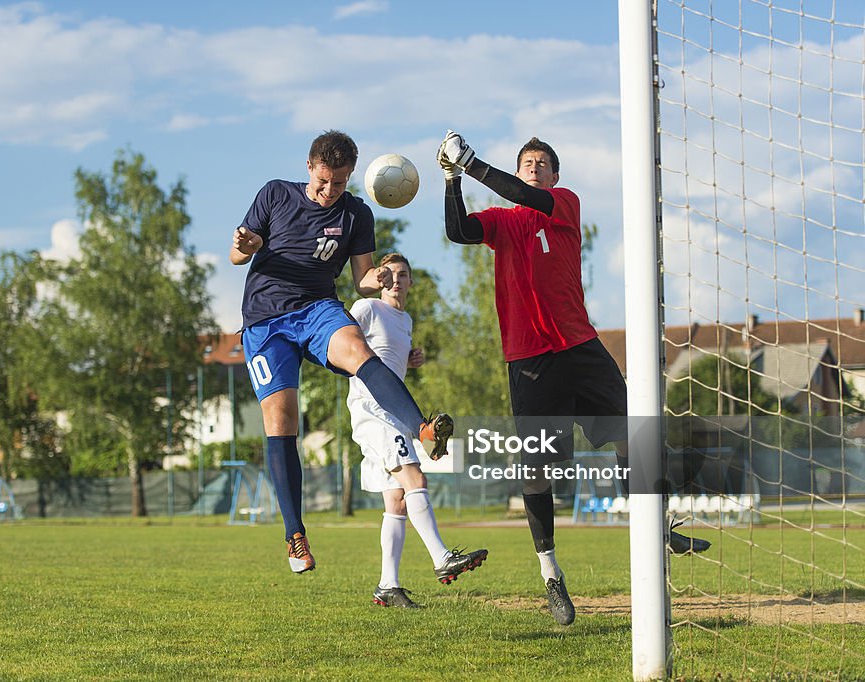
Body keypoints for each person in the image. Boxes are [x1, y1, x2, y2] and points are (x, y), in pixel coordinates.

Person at [437, 131, 710, 626]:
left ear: (555, 176)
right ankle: (551, 575)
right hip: (530, 358)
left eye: (542, 162)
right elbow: (457, 231)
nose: (534, 167)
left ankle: (659, 526)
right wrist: (452, 178)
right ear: (517, 169)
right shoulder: (501, 223)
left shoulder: (563, 203)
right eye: (527, 162)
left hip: (579, 345)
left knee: (635, 432)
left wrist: (473, 163)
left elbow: (523, 196)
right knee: (537, 469)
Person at [230, 130, 454, 575]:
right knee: (282, 421)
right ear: (310, 167)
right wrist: (247, 246)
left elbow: (361, 279)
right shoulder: (275, 194)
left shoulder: (356, 214)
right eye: (324, 181)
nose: (331, 191)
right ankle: (295, 535)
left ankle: (422, 429)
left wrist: (382, 279)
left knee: (357, 349)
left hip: (316, 308)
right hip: (265, 320)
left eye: (340, 183)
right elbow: (239, 255)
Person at [348, 252, 488, 608]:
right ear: (378, 278)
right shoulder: (366, 308)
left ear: (412, 282)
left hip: (393, 413)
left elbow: (386, 355)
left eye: (403, 274)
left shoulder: (405, 319)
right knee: (416, 480)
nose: (395, 280)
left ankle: (387, 586)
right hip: (372, 409)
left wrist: (409, 357)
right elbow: (343, 343)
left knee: (396, 501)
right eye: (388, 274)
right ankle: (442, 559)